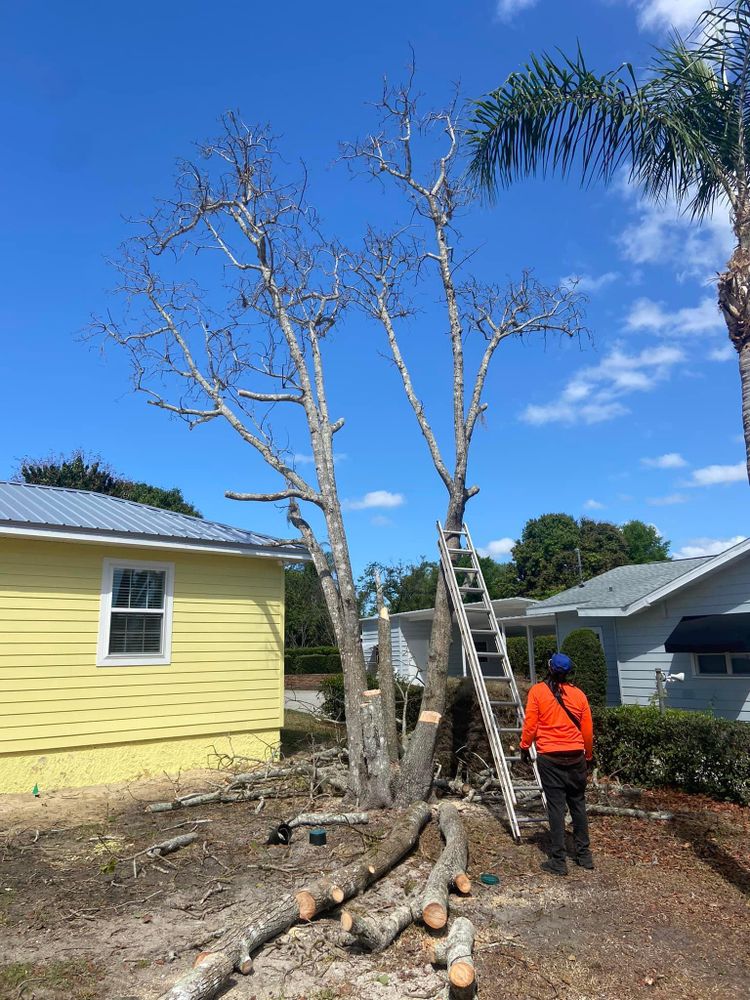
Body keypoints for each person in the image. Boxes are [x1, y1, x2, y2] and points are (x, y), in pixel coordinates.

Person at [519, 652, 594, 875]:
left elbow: (531, 723)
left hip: (550, 757)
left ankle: (558, 860)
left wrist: (525, 745)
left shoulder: (538, 692)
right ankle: (585, 856)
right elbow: (587, 730)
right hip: (576, 756)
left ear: (550, 668)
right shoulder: (579, 695)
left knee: (556, 808)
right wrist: (588, 755)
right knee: (578, 805)